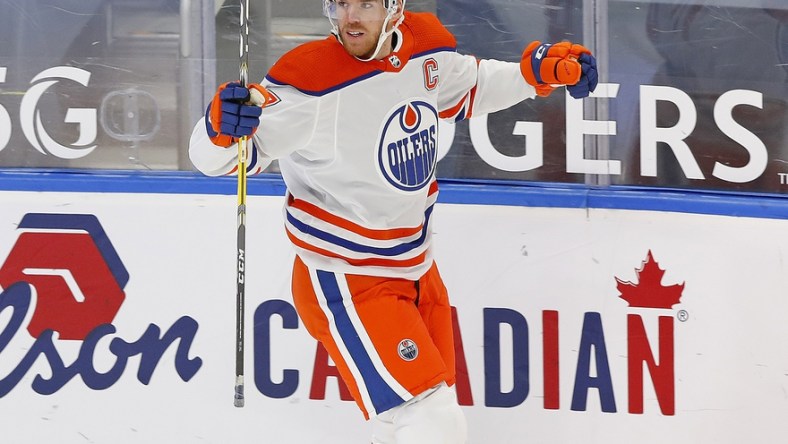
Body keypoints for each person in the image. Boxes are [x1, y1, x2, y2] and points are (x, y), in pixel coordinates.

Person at [189, 0, 597, 442]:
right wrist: (218, 130)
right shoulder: (310, 80)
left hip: (417, 268)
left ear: (395, 8)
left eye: (365, 4)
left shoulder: (424, 49)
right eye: (342, 4)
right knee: (432, 417)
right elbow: (224, 159)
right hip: (347, 277)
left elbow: (473, 84)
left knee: (400, 422)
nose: (351, 18)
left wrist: (531, 76)